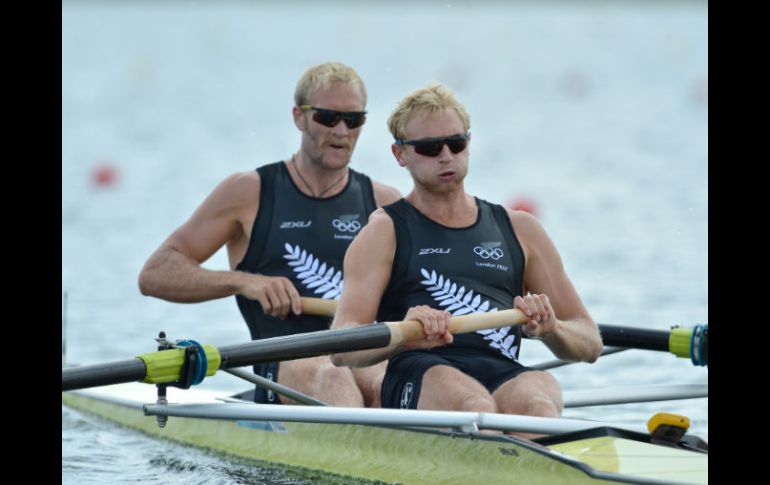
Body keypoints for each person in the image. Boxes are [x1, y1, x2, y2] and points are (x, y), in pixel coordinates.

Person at [330, 83, 602, 428]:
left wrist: (552, 329)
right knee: (472, 405)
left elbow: (589, 341)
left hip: (501, 367)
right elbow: (342, 346)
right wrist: (404, 333)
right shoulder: (384, 232)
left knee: (538, 403)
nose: (446, 156)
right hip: (420, 370)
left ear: (468, 145)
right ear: (400, 155)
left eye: (456, 143)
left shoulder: (521, 229)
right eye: (430, 148)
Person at [138, 62, 401, 407]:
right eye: (327, 117)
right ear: (299, 117)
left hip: (361, 356)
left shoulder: (384, 203)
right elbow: (155, 274)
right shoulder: (249, 193)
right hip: (283, 364)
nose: (341, 130)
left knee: (392, 380)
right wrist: (245, 282)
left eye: (353, 120)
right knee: (333, 376)